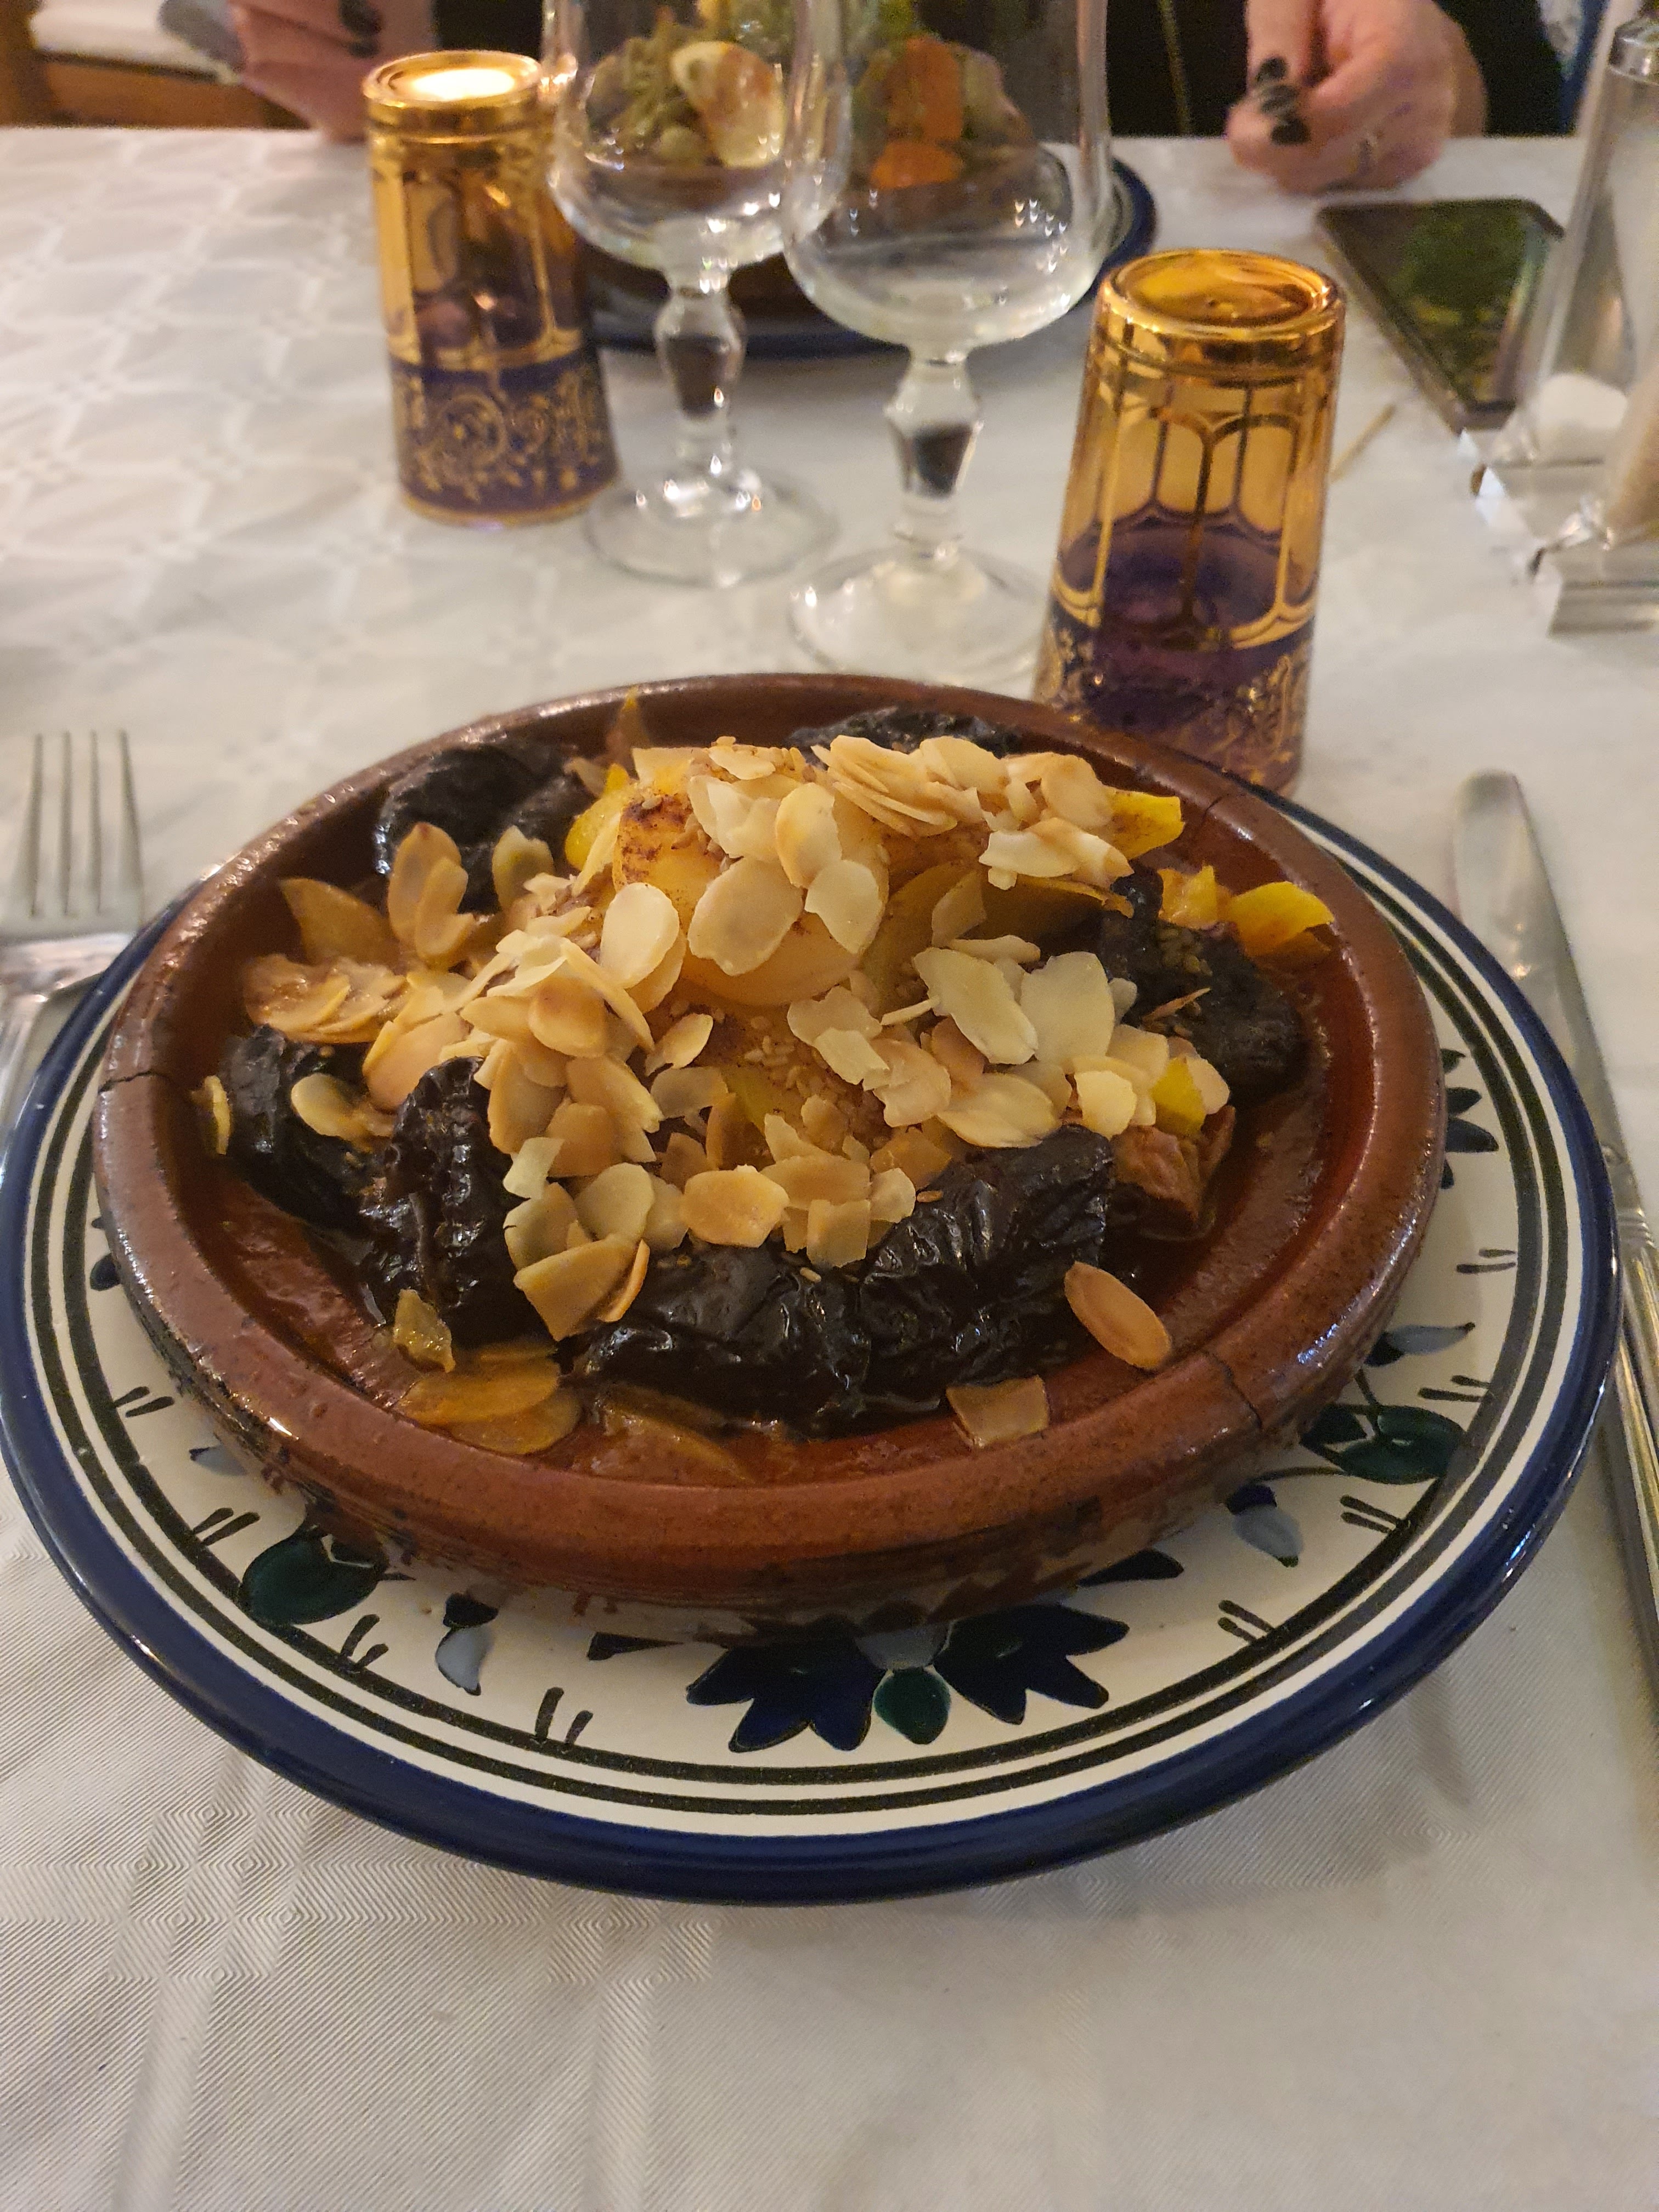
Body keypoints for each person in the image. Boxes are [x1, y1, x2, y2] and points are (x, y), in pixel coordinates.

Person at [227, 0, 1564, 189]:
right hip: (637, 399)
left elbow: (1500, 62)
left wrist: (1412, 72)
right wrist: (368, 48)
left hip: (1118, 351)